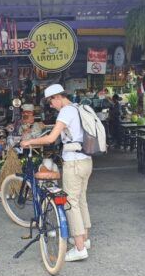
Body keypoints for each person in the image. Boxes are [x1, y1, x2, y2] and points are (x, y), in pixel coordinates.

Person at [21, 84, 92, 262]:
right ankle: (84, 238)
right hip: (86, 160)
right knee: (81, 200)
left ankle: (79, 248)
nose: (51, 106)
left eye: (50, 102)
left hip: (74, 163)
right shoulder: (79, 107)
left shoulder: (66, 111)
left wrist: (30, 142)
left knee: (70, 203)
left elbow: (52, 138)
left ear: (57, 97)